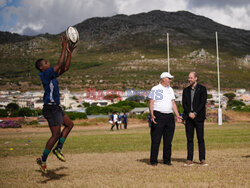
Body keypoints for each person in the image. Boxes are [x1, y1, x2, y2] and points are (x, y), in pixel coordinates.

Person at [35, 35, 76, 173]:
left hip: (56, 107)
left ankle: (58, 148)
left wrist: (69, 53)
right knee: (56, 135)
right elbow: (59, 65)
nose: (48, 63)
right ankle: (43, 159)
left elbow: (65, 67)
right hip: (51, 108)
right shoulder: (45, 74)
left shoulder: (51, 75)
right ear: (41, 67)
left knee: (70, 125)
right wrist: (63, 47)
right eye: (46, 63)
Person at [148, 72, 182, 166]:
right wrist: (152, 115)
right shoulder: (155, 89)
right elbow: (151, 102)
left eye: (171, 78)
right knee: (156, 140)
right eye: (169, 78)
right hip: (158, 115)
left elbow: (173, 103)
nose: (170, 80)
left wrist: (177, 115)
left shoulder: (170, 89)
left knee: (168, 141)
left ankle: (167, 160)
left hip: (169, 116)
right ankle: (153, 160)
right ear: (163, 79)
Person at [182, 72, 208, 166]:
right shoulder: (185, 90)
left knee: (200, 138)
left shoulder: (202, 89)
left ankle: (202, 159)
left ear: (196, 78)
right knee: (189, 139)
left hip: (199, 118)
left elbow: (203, 102)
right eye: (189, 78)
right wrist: (189, 113)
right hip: (188, 118)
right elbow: (184, 104)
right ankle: (189, 159)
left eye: (191, 78)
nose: (189, 79)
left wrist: (195, 113)